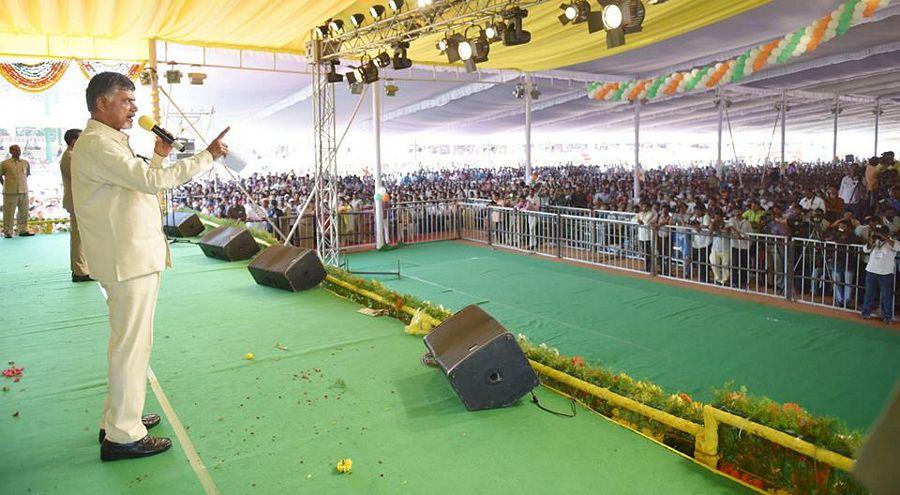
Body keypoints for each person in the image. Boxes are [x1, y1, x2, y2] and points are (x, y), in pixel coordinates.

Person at [72, 72, 230, 461]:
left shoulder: (108, 143)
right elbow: (150, 183)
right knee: (131, 346)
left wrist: (159, 152)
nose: (134, 108)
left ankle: (118, 418)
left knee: (127, 343)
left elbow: (138, 182)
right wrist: (207, 155)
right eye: (126, 100)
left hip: (131, 256)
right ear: (101, 104)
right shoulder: (97, 144)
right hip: (127, 258)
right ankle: (123, 436)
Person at [60, 129, 92, 282]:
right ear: (73, 141)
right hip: (76, 200)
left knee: (81, 235)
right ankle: (80, 271)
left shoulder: (73, 155)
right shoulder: (70, 156)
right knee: (79, 236)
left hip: (79, 200)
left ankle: (81, 269)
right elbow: (84, 177)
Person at [861, 223, 899, 324]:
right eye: (878, 232)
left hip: (885, 273)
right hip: (871, 270)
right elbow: (865, 249)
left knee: (886, 295)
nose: (879, 234)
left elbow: (897, 247)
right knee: (869, 293)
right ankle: (866, 312)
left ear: (887, 233)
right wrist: (871, 242)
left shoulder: (893, 242)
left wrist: (885, 238)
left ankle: (888, 317)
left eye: (881, 232)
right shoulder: (875, 241)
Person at [0, 144, 35, 238]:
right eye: (15, 150)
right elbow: (0, 175)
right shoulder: (4, 163)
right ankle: (8, 231)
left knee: (24, 212)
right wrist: (5, 184)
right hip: (9, 192)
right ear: (10, 152)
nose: (18, 152)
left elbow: (26, 175)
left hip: (23, 191)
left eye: (19, 150)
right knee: (8, 212)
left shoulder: (25, 163)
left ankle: (23, 230)